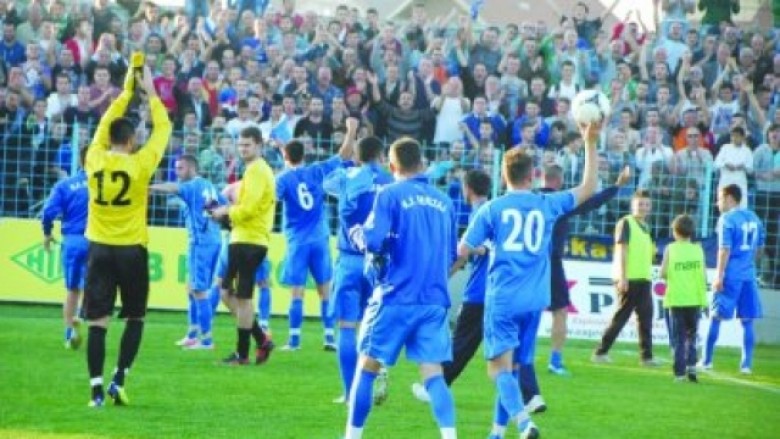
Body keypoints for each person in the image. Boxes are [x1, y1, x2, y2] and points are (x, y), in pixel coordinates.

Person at [460, 120, 600, 439]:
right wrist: (590, 142)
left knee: (497, 368)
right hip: (535, 299)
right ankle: (496, 432)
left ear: (503, 175)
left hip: (504, 298)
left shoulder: (493, 209)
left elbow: (464, 248)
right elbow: (588, 188)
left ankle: (524, 424)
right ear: (533, 175)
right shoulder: (547, 203)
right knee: (514, 367)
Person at [344, 138, 458, 439]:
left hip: (395, 296)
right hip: (434, 300)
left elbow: (373, 241)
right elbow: (451, 255)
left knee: (367, 367)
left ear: (392, 166)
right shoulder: (445, 202)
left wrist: (356, 234)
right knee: (434, 375)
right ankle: (450, 436)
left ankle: (352, 436)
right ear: (421, 163)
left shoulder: (389, 194)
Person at [83, 65, 172, 407]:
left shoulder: (93, 157)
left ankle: (95, 390)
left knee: (98, 321)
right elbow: (163, 128)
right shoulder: (141, 163)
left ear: (109, 138)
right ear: (132, 140)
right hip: (131, 250)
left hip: (100, 247)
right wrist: (148, 92)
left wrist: (125, 92)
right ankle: (119, 379)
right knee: (135, 317)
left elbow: (104, 124)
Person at [323, 130, 393, 404]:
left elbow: (326, 183)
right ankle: (374, 375)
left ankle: (350, 391)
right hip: (378, 262)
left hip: (350, 258)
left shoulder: (347, 176)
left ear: (358, 156)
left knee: (347, 327)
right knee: (371, 324)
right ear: (380, 155)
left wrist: (349, 163)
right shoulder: (390, 181)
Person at [411, 169, 491, 403]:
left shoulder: (480, 214)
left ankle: (433, 388)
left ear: (468, 189)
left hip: (480, 291)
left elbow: (470, 251)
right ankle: (527, 395)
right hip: (499, 291)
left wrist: (441, 274)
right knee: (497, 347)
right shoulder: (491, 209)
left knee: (461, 342)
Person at [275, 118, 355, 351]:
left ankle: (294, 340)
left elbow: (275, 196)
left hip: (297, 241)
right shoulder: (317, 170)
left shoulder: (283, 178)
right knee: (325, 290)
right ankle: (329, 337)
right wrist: (350, 131)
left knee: (297, 292)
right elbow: (344, 155)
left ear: (286, 157)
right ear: (304, 155)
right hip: (320, 237)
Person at [544, 164, 631, 375]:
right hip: (551, 262)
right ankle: (555, 360)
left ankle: (516, 357)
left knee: (524, 310)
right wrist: (616, 186)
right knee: (560, 311)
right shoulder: (561, 201)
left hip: (527, 261)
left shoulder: (530, 198)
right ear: (559, 180)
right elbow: (591, 202)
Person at [209, 126, 276, 366]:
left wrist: (224, 211)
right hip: (243, 238)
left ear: (259, 145)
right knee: (228, 292)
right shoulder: (252, 170)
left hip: (250, 239)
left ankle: (242, 354)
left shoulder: (258, 170)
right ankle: (261, 339)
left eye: (247, 145)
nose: (243, 149)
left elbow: (248, 209)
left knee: (243, 297)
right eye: (240, 145)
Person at [150, 155, 222, 349]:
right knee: (191, 288)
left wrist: (149, 188)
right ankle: (192, 334)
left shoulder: (192, 186)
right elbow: (222, 207)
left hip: (201, 243)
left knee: (199, 291)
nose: (177, 172)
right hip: (212, 240)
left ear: (191, 168)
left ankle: (206, 340)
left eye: (180, 168)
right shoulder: (208, 185)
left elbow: (172, 187)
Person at [701, 184, 765, 374]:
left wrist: (719, 275)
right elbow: (760, 248)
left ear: (729, 198)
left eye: (720, 198)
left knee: (716, 316)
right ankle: (746, 365)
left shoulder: (727, 219)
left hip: (731, 275)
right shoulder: (754, 217)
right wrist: (748, 264)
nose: (717, 203)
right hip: (749, 274)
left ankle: (706, 361)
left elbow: (724, 249)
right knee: (747, 320)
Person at [592, 190, 659, 366]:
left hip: (643, 278)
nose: (643, 207)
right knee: (621, 317)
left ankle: (647, 357)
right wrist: (623, 277)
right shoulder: (626, 223)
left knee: (646, 317)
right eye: (640, 204)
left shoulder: (646, 227)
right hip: (629, 278)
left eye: (646, 204)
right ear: (633, 205)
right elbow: (622, 249)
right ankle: (600, 351)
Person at [42, 146, 89, 350]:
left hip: (72, 240)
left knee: (72, 290)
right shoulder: (104, 185)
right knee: (94, 286)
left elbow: (48, 212)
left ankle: (69, 332)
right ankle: (85, 319)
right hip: (97, 241)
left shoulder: (65, 185)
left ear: (79, 161)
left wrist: (47, 232)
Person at [659, 214, 708, 383]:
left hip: (676, 299)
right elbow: (703, 276)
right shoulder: (698, 250)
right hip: (694, 299)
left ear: (675, 231)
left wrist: (675, 273)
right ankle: (692, 368)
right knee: (692, 336)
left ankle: (679, 374)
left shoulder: (670, 249)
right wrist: (705, 301)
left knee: (679, 338)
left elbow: (663, 273)